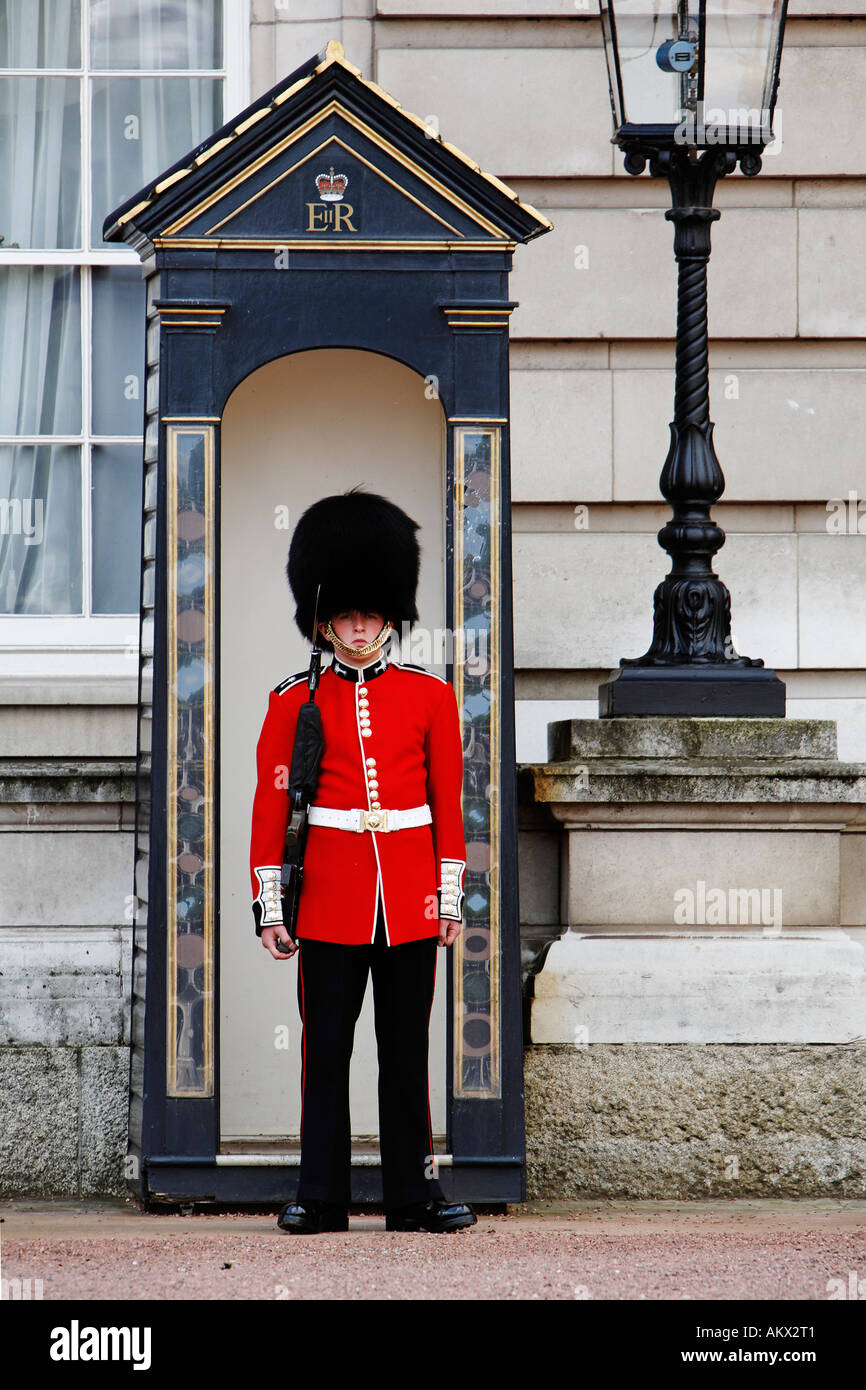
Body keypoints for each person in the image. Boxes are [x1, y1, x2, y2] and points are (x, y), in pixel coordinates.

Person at [249, 487, 477, 1235]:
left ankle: (414, 1196)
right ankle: (321, 1197)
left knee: (406, 1054)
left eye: (370, 611)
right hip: (329, 900)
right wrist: (271, 908)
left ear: (389, 613)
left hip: (408, 895)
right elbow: (271, 809)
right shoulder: (292, 701)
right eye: (346, 612)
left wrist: (448, 898)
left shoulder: (430, 696)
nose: (358, 623)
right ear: (324, 616)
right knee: (325, 1053)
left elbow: (449, 805)